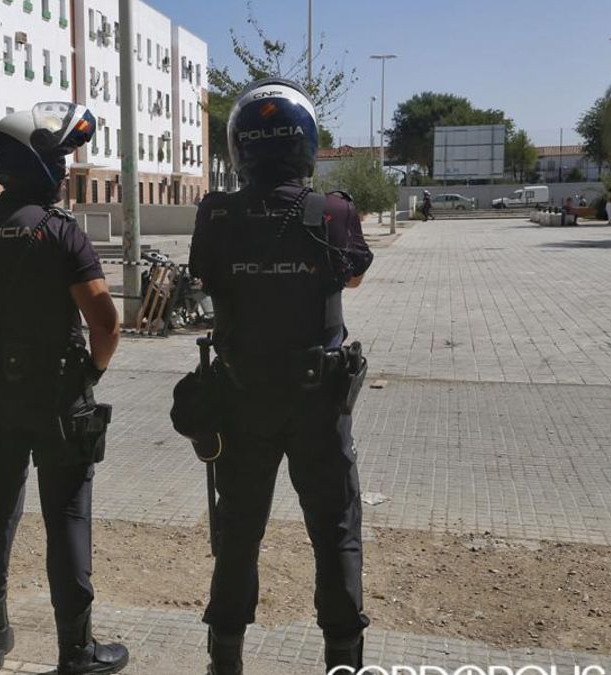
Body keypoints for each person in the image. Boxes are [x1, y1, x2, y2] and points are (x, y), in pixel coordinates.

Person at [179, 78, 374, 675]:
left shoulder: (216, 214)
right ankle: (342, 658)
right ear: (306, 143)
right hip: (319, 403)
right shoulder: (333, 212)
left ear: (240, 146)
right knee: (335, 531)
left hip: (243, 400)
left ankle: (225, 658)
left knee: (238, 531)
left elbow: (206, 278)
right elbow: (353, 276)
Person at [0, 102, 128, 675]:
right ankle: (77, 651)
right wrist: (91, 373)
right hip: (59, 399)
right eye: (57, 158)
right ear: (34, 166)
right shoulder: (61, 233)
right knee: (66, 516)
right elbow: (106, 324)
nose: (63, 169)